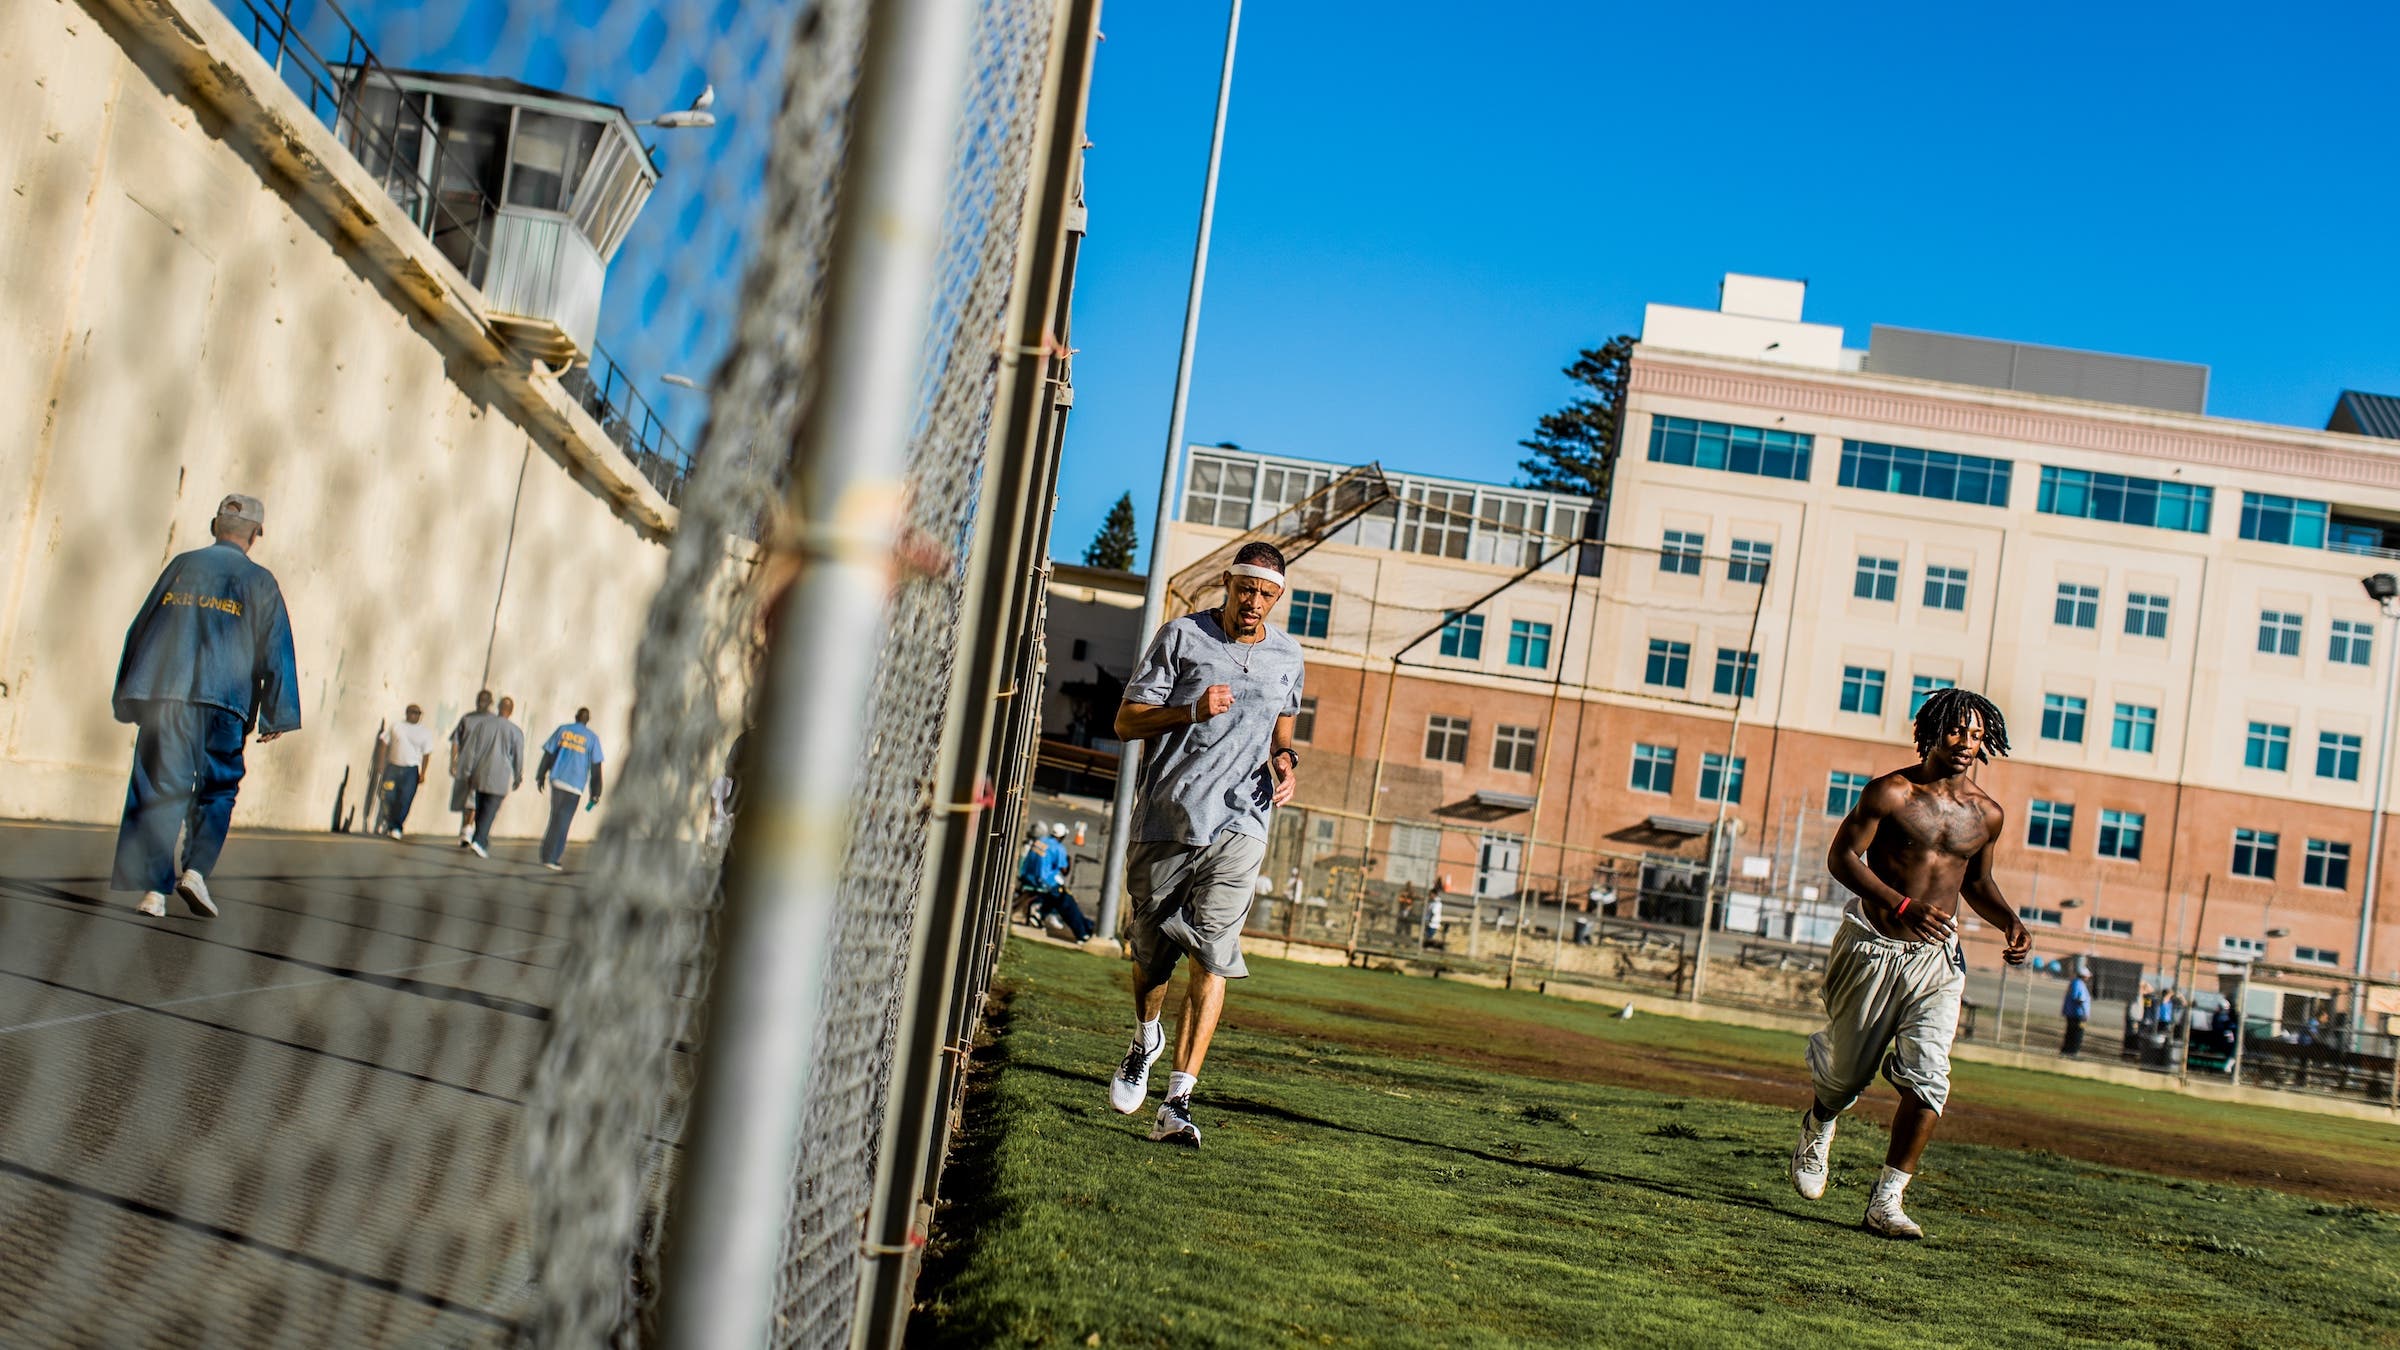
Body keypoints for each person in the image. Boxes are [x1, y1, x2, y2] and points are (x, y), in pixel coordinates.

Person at [1787, 688, 2029, 1241]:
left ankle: (1886, 1201)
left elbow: (1978, 883)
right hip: (1871, 947)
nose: (1967, 743)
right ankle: (1820, 1123)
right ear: (1930, 731)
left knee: (1931, 1081)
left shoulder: (1987, 814)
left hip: (1937, 961)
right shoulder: (1890, 793)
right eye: (1956, 731)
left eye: (1976, 734)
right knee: (1846, 1075)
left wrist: (2009, 921)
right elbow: (1840, 858)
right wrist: (1899, 903)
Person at [1104, 541, 1303, 1148]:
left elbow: (1282, 724)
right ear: (1228, 582)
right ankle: (1146, 1038)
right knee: (1151, 953)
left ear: (1277, 598)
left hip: (1241, 822)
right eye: (1247, 589)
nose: (1255, 602)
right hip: (1167, 819)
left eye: (1267, 594)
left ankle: (1178, 1100)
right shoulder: (1181, 638)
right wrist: (1188, 711)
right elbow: (1126, 722)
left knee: (1213, 953)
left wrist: (1286, 759)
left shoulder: (1289, 655)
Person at [109, 494, 301, 918]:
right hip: (226, 702)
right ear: (255, 534)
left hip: (169, 697)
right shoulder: (260, 581)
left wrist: (130, 692)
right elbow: (277, 647)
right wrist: (278, 710)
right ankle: (195, 871)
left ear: (215, 526)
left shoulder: (183, 566)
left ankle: (153, 893)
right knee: (218, 787)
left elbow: (143, 626)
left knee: (162, 786)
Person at [453, 693, 524, 858]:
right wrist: (518, 775)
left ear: (499, 708)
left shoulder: (483, 725)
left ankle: (479, 838)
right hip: (499, 778)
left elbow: (471, 750)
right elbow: (518, 757)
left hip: (480, 774)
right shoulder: (515, 731)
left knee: (480, 808)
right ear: (511, 711)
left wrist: (468, 771)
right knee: (490, 810)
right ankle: (479, 841)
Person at [535, 706, 605, 871]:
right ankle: (552, 857)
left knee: (555, 818)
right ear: (587, 720)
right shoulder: (592, 738)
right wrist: (596, 793)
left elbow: (549, 754)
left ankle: (546, 853)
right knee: (564, 821)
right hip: (575, 785)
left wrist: (541, 775)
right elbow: (596, 767)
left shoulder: (563, 730)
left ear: (575, 717)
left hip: (558, 779)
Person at [379, 704, 436, 839]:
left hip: (411, 771)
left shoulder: (425, 732)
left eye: (417, 713)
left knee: (405, 799)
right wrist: (381, 764)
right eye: (412, 712)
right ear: (406, 713)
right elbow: (384, 743)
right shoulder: (396, 726)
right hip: (392, 768)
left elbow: (427, 754)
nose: (414, 715)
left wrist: (423, 772)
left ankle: (396, 827)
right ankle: (389, 821)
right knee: (388, 796)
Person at [450, 691, 496, 844]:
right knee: (465, 799)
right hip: (465, 765)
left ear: (490, 702)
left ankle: (467, 830)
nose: (481, 703)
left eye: (485, 700)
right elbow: (456, 740)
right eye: (479, 700)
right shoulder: (467, 718)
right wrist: (453, 761)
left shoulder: (494, 722)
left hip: (483, 767)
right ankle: (466, 828)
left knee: (473, 799)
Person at [1038, 821, 1095, 942]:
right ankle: (1082, 932)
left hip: (1031, 877)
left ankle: (1089, 926)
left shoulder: (1041, 841)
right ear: (1062, 836)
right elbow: (1064, 871)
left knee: (1066, 901)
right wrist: (1068, 861)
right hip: (1047, 882)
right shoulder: (1059, 848)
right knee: (1069, 905)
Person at [2060, 959, 2092, 1057]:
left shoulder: (2078, 983)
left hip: (2077, 1014)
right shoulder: (2078, 983)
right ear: (2084, 976)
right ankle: (2072, 1052)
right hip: (2077, 1014)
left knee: (2072, 1033)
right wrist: (2084, 1012)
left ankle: (2069, 1051)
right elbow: (2078, 998)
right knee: (2076, 1034)